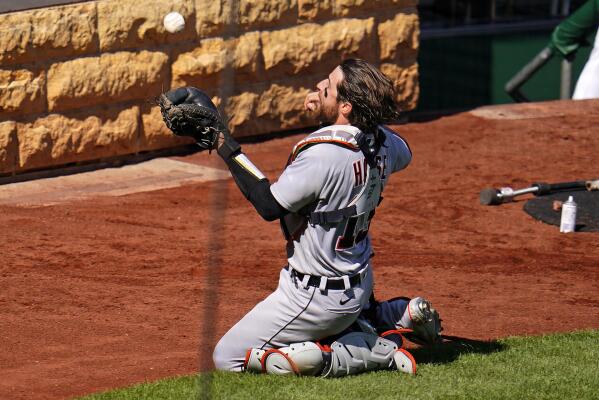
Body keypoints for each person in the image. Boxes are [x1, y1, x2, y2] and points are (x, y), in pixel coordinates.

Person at [165, 59, 442, 377]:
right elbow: (390, 146)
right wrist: (337, 115)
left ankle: (371, 353)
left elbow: (270, 205)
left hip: (316, 296)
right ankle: (394, 314)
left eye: (329, 86)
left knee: (228, 358)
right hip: (359, 280)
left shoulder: (322, 155)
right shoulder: (384, 145)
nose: (319, 87)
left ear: (347, 106)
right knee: (346, 302)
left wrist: (223, 142)